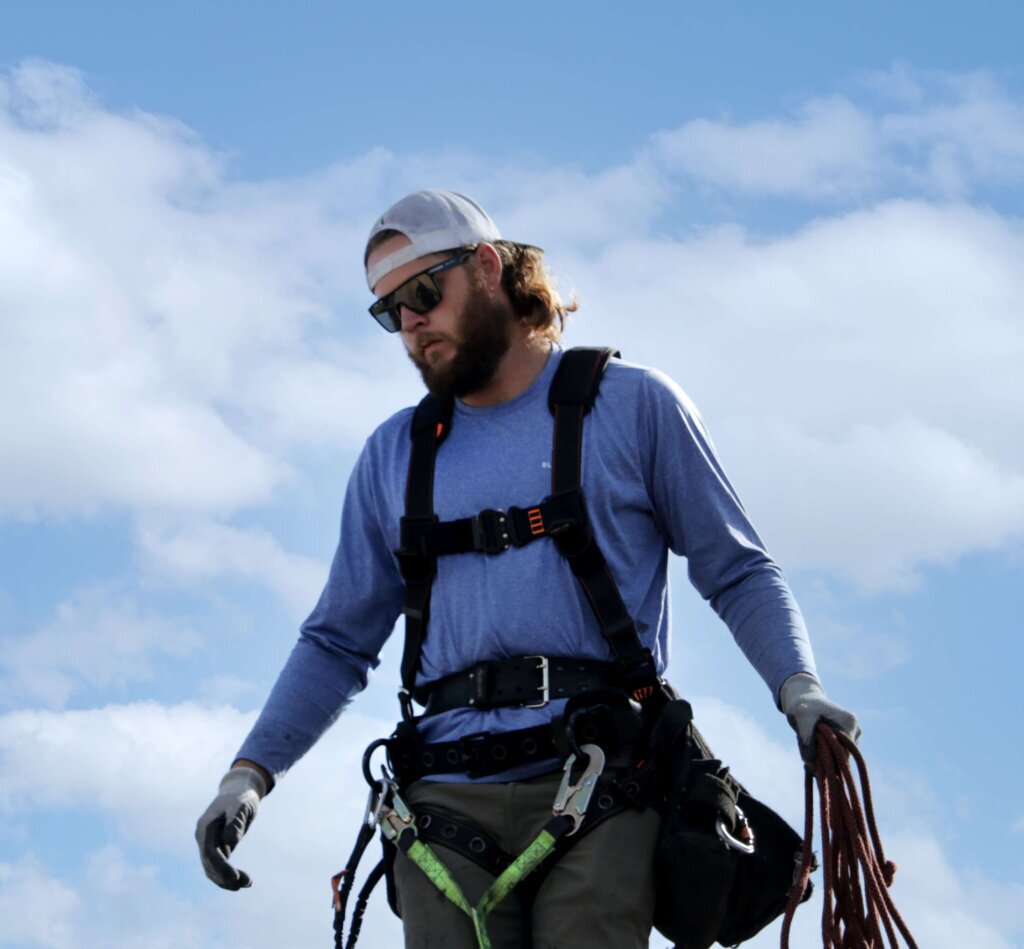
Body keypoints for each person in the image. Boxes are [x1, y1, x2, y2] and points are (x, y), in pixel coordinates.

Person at [196, 189, 859, 948]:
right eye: (389, 312)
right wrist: (247, 776)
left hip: (599, 783)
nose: (410, 321)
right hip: (442, 803)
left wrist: (798, 687)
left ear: (486, 267)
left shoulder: (634, 407)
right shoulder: (392, 456)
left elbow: (737, 569)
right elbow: (336, 642)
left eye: (421, 292)